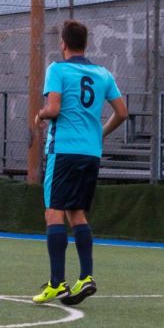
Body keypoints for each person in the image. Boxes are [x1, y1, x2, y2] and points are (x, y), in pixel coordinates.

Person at [33, 20, 127, 305]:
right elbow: (122, 112)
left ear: (63, 43)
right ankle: (86, 276)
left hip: (64, 150)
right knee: (77, 214)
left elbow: (55, 108)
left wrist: (40, 115)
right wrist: (99, 133)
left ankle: (57, 283)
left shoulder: (57, 69)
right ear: (85, 43)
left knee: (54, 212)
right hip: (90, 153)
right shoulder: (102, 73)